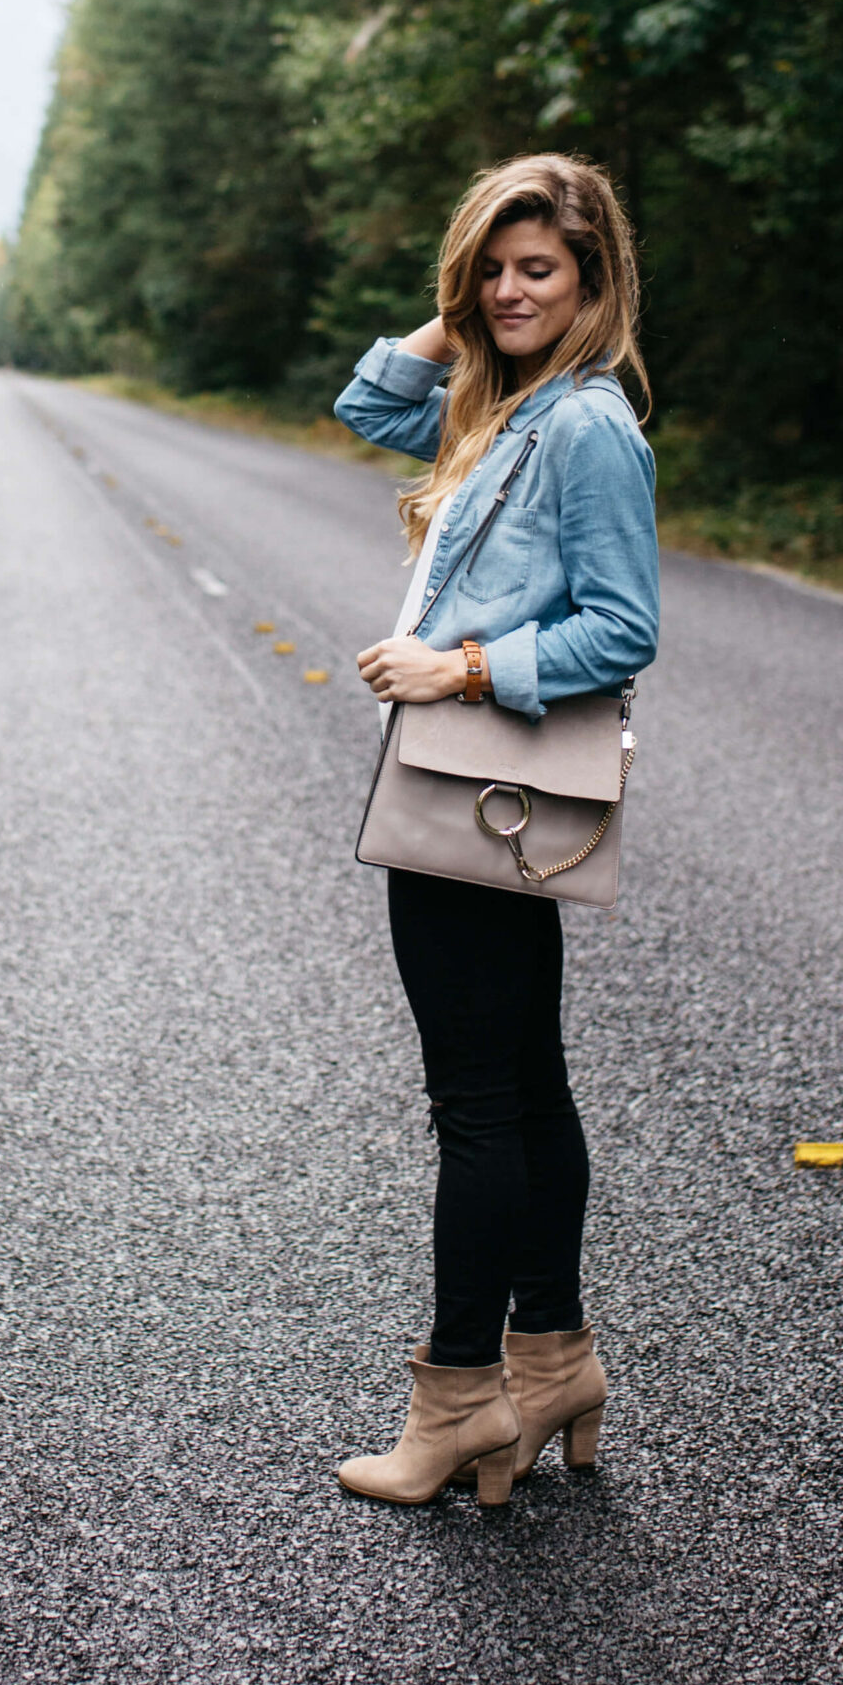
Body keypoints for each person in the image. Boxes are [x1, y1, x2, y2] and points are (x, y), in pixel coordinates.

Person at [330, 152, 659, 1505]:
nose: (513, 290)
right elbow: (368, 401)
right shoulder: (511, 408)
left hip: (484, 773)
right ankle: (556, 1358)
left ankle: (459, 1396)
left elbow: (624, 628)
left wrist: (460, 669)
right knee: (524, 1082)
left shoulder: (584, 430)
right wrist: (462, 313)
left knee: (477, 1103)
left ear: (593, 279)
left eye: (541, 268)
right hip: (492, 784)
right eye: (494, 266)